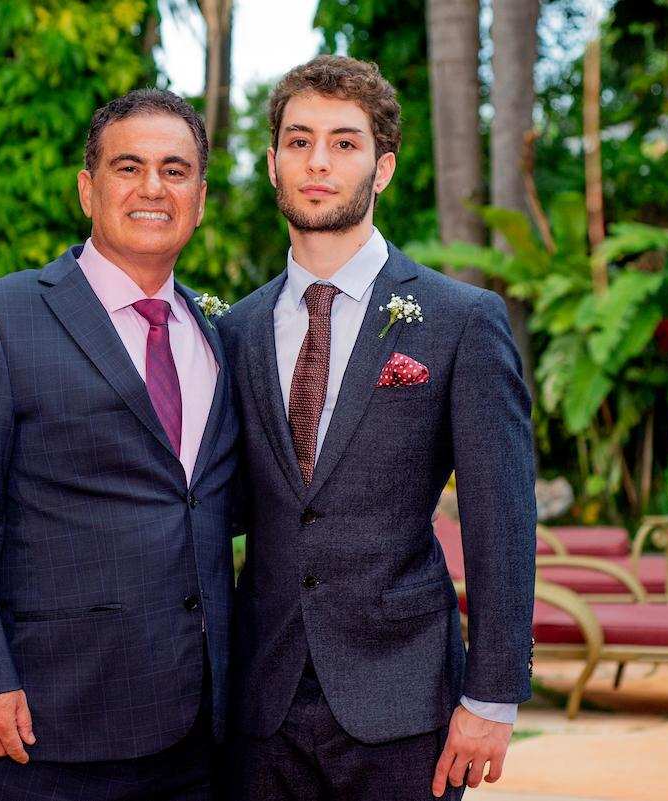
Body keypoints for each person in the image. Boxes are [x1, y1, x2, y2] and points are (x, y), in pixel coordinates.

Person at [217, 55, 537, 800]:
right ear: (272, 164)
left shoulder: (461, 321)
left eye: (344, 142)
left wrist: (491, 697)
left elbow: (502, 518)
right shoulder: (234, 331)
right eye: (298, 142)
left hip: (406, 704)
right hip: (259, 707)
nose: (318, 162)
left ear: (382, 168)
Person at [0, 89, 238, 800]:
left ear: (201, 198)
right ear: (89, 189)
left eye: (176, 170)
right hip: (45, 727)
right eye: (129, 166)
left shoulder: (214, 336)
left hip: (197, 733)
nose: (154, 186)